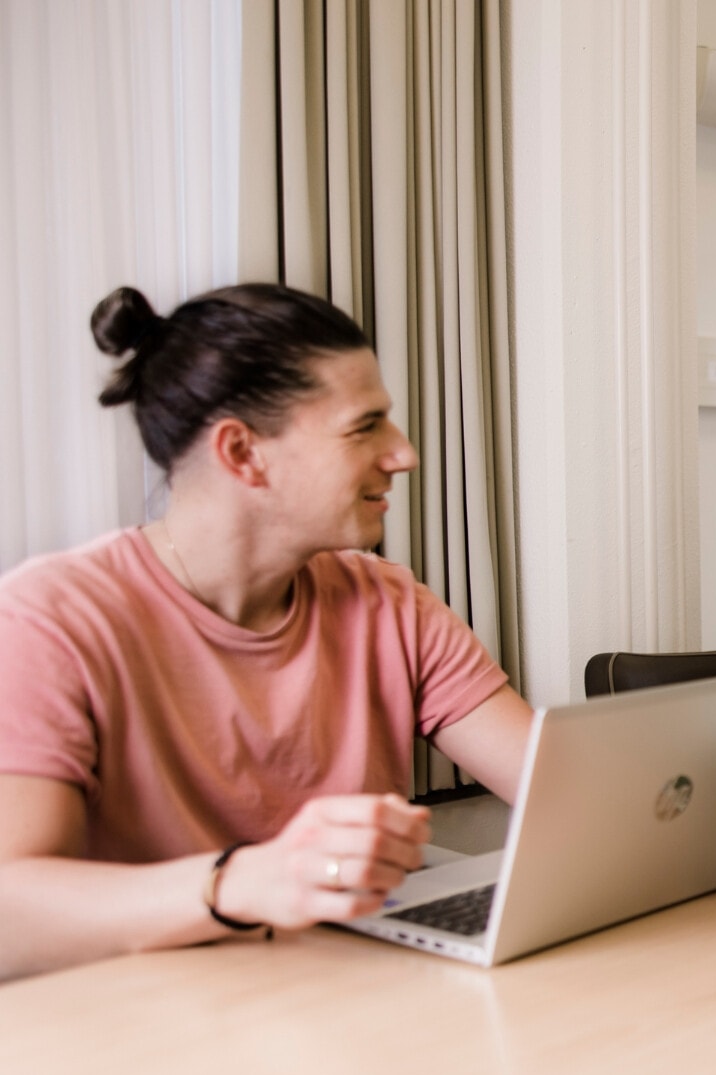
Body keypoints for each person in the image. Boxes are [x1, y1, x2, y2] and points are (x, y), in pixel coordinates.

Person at [0, 283, 534, 981]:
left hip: (347, 1000)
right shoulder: (50, 621)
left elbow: (559, 790)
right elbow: (11, 910)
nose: (403, 454)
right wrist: (242, 881)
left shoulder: (389, 603)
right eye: (364, 426)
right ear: (243, 453)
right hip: (148, 1032)